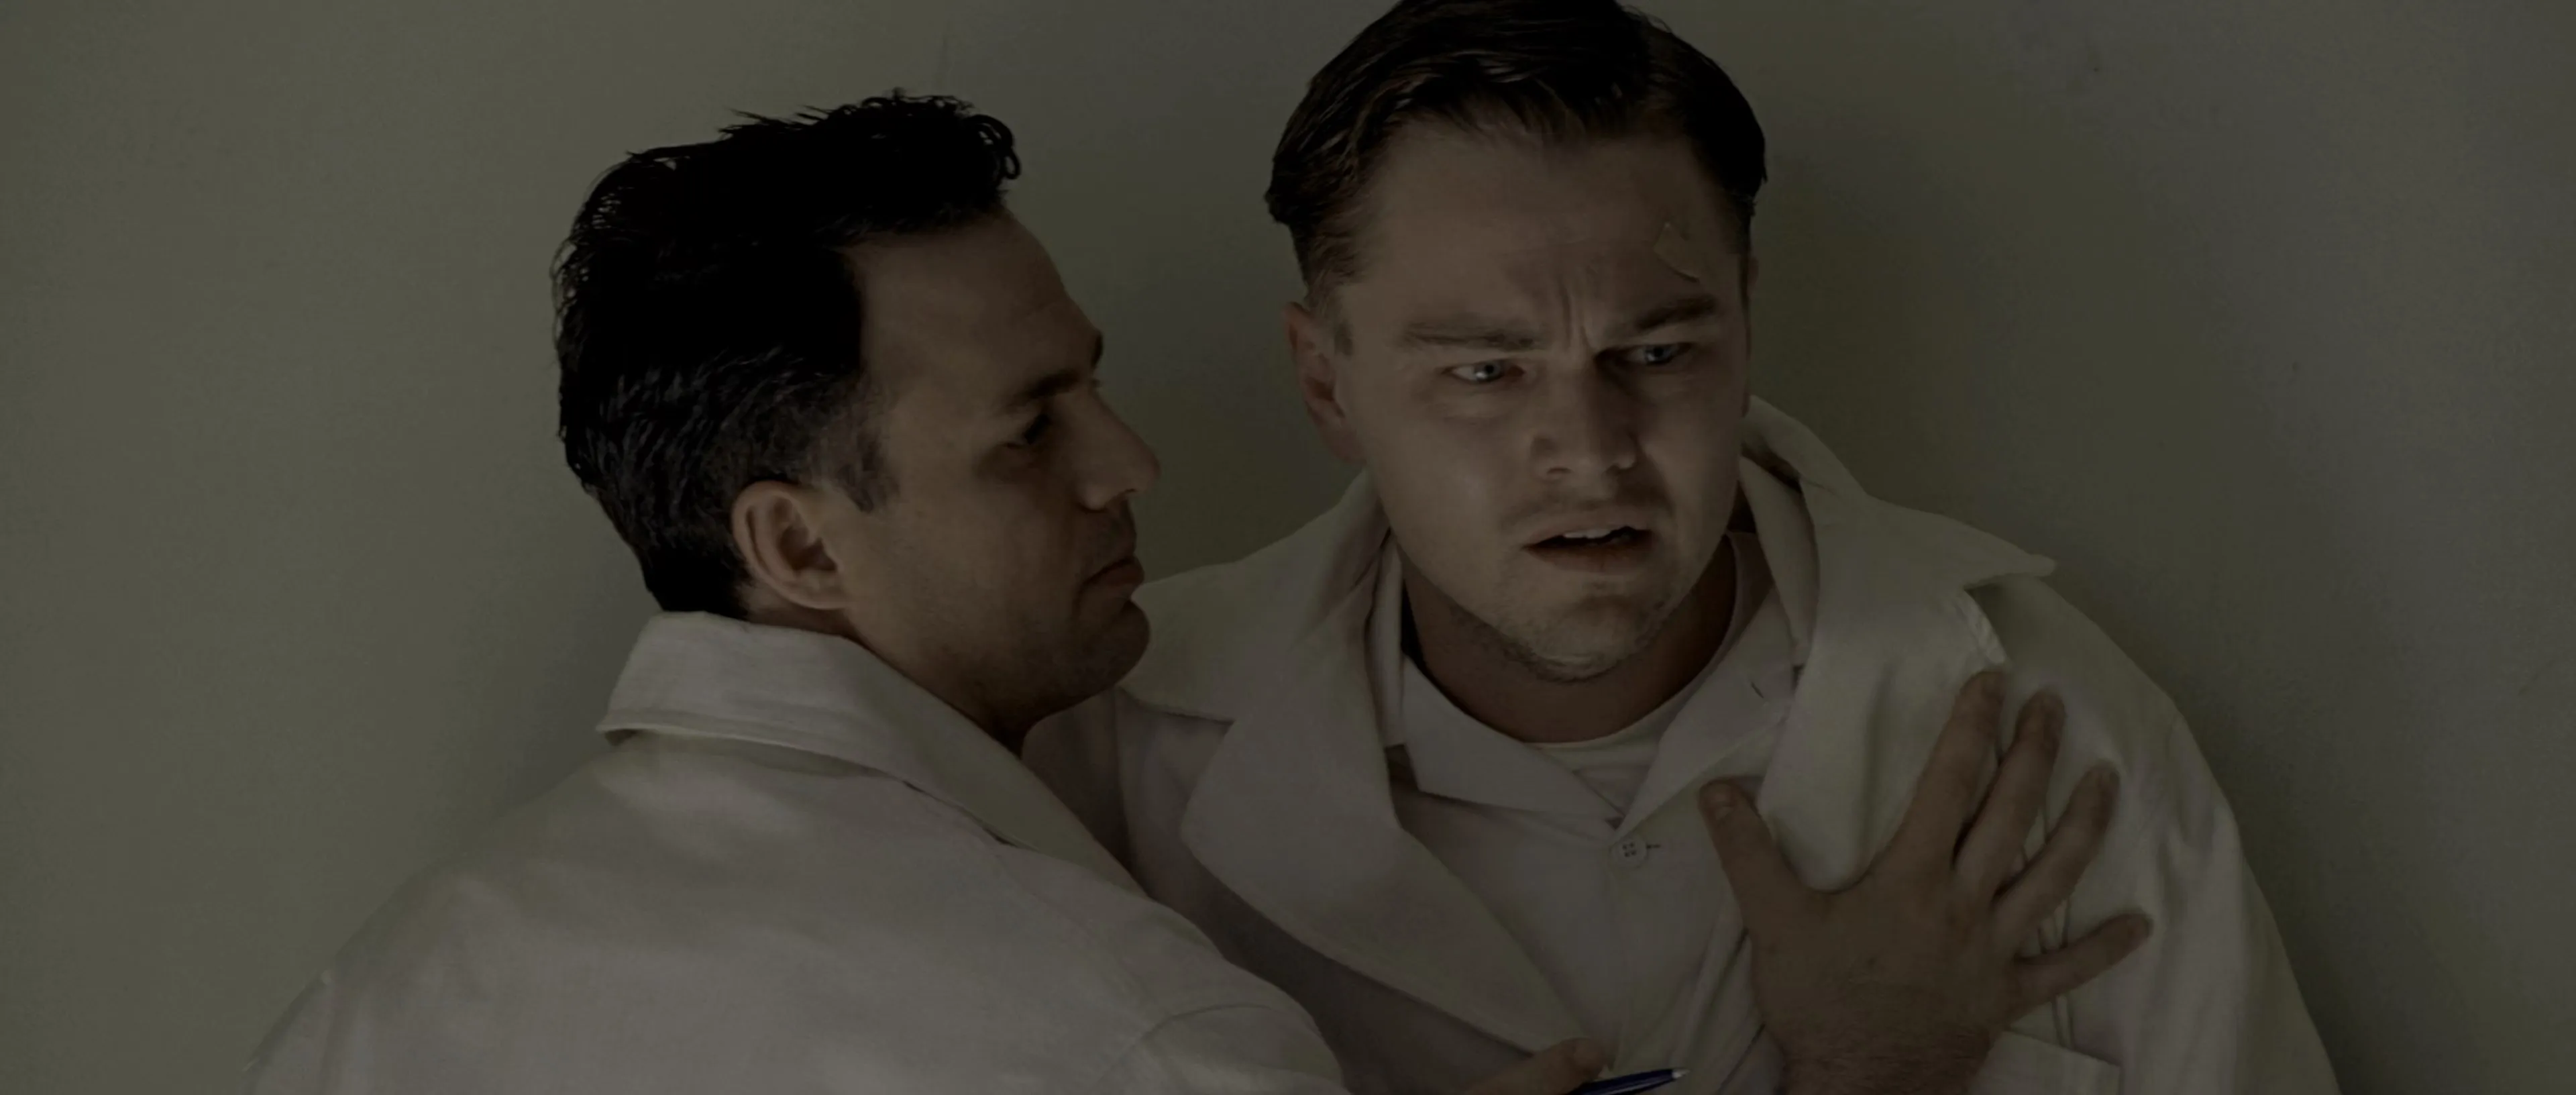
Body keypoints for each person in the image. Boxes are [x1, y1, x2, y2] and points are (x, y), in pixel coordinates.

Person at [246, 93, 2124, 1095]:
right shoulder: (1127, 1029)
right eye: (1031, 432)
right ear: (799, 548)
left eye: (1656, 349)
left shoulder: (391, 988)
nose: (1133, 461)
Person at [1025, 2, 2340, 1093]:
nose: (1591, 452)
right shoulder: (1113, 751)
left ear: (1745, 323)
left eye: (1655, 353)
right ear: (1327, 385)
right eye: (1486, 371)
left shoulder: (2036, 718)